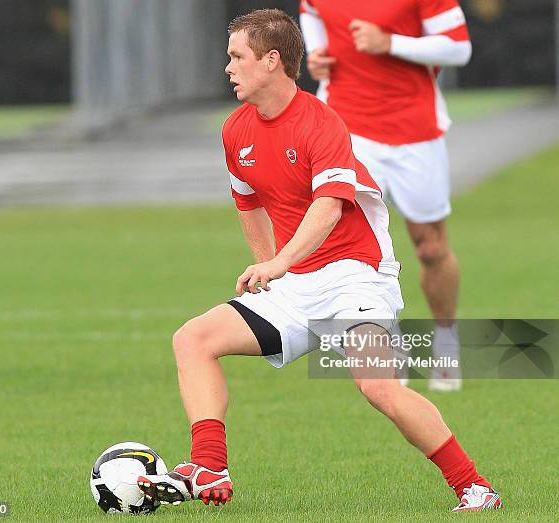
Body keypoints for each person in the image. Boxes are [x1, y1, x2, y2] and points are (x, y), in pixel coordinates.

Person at [137, 9, 501, 513]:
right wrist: (271, 270)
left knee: (379, 387)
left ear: (271, 61)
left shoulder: (322, 122)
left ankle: (474, 487)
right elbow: (248, 203)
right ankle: (209, 465)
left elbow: (329, 207)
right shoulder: (235, 130)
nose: (228, 67)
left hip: (357, 277)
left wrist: (279, 263)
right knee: (193, 339)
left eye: (236, 56)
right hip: (297, 282)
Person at [300, 0, 472, 391]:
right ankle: (389, 348)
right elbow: (310, 10)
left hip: (415, 131)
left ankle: (446, 343)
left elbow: (459, 48)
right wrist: (316, 51)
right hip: (348, 128)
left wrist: (391, 42)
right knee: (359, 247)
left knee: (430, 247)